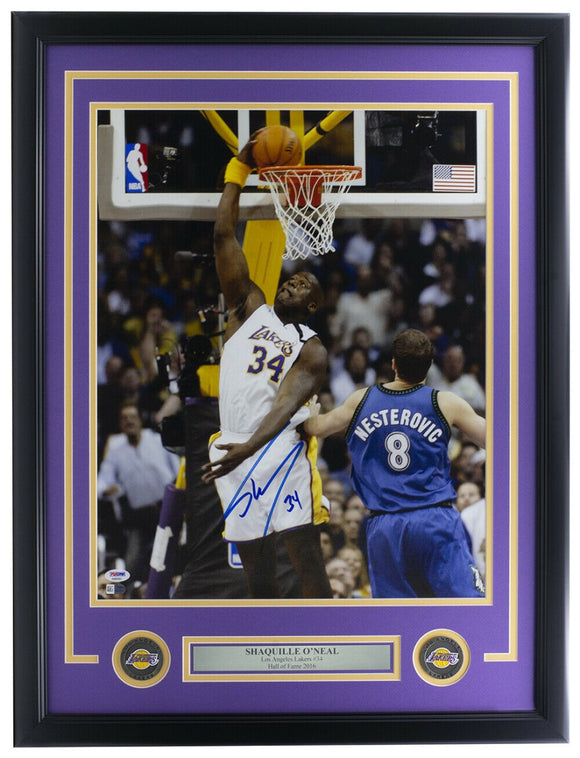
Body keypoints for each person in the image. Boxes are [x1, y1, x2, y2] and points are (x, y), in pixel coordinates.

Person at [200, 135, 332, 599]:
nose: (293, 282)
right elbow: (223, 237)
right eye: (292, 278)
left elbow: (284, 406)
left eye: (304, 284)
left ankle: (330, 635)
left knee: (306, 559)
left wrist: (250, 449)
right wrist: (237, 170)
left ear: (312, 306)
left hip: (278, 449)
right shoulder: (247, 307)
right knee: (256, 572)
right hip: (232, 446)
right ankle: (266, 635)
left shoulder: (311, 349)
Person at [304, 328, 486, 599]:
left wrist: (310, 412)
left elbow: (316, 428)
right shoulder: (444, 402)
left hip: (385, 526)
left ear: (393, 364)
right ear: (430, 365)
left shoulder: (361, 400)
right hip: (434, 519)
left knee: (396, 614)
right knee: (466, 605)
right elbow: (500, 441)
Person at [97, 402, 181, 583]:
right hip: (139, 516)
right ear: (120, 425)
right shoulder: (115, 451)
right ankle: (129, 593)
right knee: (132, 564)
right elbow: (103, 480)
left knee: (172, 558)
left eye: (132, 417)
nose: (129, 421)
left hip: (166, 509)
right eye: (124, 419)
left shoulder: (157, 440)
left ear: (141, 421)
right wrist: (104, 489)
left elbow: (178, 470)